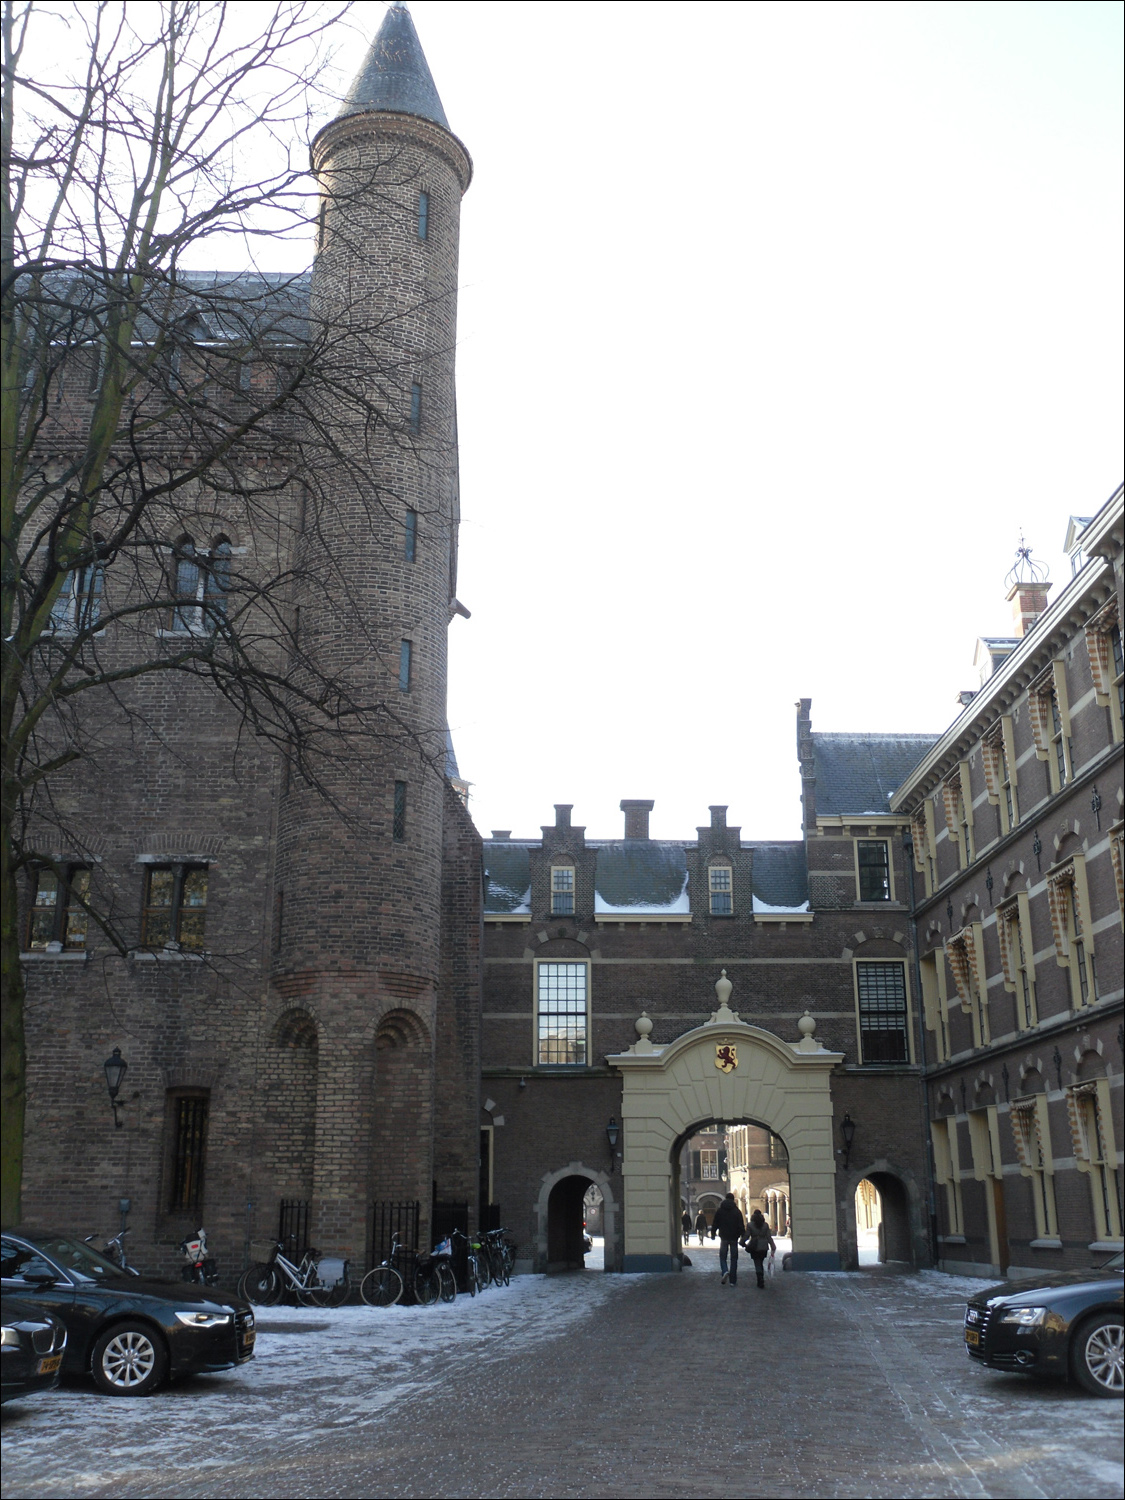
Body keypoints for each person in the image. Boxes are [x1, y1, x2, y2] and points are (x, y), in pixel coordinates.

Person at [710, 1192, 745, 1285]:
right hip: (734, 1238)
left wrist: (713, 1233)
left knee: (722, 1257)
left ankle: (725, 1271)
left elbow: (715, 1223)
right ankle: (732, 1281)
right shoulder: (737, 1211)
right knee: (734, 1259)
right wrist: (743, 1237)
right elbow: (741, 1225)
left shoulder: (720, 1211)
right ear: (733, 1200)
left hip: (724, 1237)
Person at [744, 1208, 777, 1288]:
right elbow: (769, 1237)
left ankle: (760, 1278)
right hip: (763, 1246)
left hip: (754, 1246)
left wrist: (742, 1242)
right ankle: (761, 1277)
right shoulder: (765, 1225)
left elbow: (747, 1236)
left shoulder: (750, 1225)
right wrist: (772, 1245)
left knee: (757, 1263)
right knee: (761, 1262)